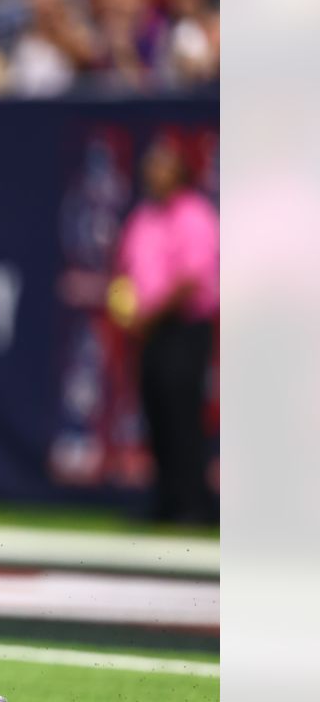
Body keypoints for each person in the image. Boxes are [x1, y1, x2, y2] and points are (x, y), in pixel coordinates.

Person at [112, 134, 219, 524]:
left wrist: (151, 313)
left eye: (162, 165)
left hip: (184, 328)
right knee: (155, 412)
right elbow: (126, 271)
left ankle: (194, 505)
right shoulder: (143, 217)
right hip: (151, 331)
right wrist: (127, 305)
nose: (152, 172)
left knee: (183, 415)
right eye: (150, 165)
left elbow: (192, 279)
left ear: (179, 171)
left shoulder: (195, 215)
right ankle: (166, 501)